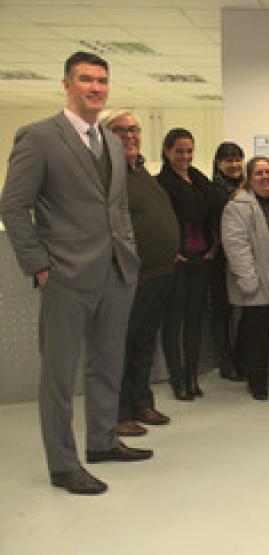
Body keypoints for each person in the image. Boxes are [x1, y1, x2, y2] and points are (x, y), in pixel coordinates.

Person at [0, 51, 150, 496]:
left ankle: (102, 441)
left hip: (115, 272)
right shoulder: (39, 137)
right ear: (67, 84)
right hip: (65, 275)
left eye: (102, 80)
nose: (96, 88)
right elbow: (13, 206)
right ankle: (63, 464)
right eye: (86, 79)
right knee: (59, 375)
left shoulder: (110, 141)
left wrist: (129, 255)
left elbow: (117, 206)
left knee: (107, 364)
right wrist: (39, 265)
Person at [101, 109, 180, 436]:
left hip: (158, 273)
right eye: (121, 131)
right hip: (128, 278)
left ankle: (140, 403)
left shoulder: (139, 169)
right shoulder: (104, 172)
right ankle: (117, 414)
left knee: (144, 343)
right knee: (120, 346)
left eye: (134, 129)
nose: (130, 135)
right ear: (104, 135)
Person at [157, 128, 221, 401]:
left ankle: (192, 376)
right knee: (173, 323)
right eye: (179, 151)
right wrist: (170, 250)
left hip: (200, 260)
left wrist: (213, 247)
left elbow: (216, 213)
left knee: (194, 323)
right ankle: (177, 378)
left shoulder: (199, 181)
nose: (185, 156)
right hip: (176, 263)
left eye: (189, 151)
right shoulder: (160, 183)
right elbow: (159, 223)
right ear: (167, 151)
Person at [221, 156, 269, 400]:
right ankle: (257, 383)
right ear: (250, 179)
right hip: (256, 280)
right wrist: (248, 279)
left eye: (268, 172)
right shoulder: (237, 207)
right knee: (257, 336)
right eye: (259, 173)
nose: (265, 177)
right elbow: (235, 246)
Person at [210, 142, 245, 382]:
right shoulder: (214, 190)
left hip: (244, 260)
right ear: (218, 164)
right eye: (228, 160)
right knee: (222, 313)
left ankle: (241, 358)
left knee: (244, 312)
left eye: (237, 159)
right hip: (220, 260)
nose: (233, 164)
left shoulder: (249, 188)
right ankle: (226, 361)